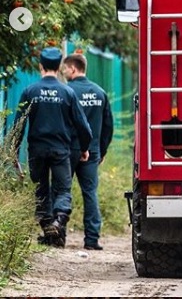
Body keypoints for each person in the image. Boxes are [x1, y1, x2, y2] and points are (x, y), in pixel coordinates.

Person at [14, 47, 92, 248]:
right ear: (58, 67)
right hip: (61, 150)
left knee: (41, 190)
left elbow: (18, 125)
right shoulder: (68, 92)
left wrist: (13, 152)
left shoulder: (29, 91)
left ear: (40, 66)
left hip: (37, 150)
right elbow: (83, 126)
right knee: (63, 189)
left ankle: (49, 229)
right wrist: (84, 147)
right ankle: (58, 221)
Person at [62, 53, 114, 251]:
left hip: (67, 150)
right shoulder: (99, 93)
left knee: (62, 191)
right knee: (90, 193)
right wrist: (101, 150)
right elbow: (108, 126)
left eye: (65, 69)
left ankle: (59, 234)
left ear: (73, 69)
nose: (64, 72)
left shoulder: (66, 91)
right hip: (91, 152)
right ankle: (92, 239)